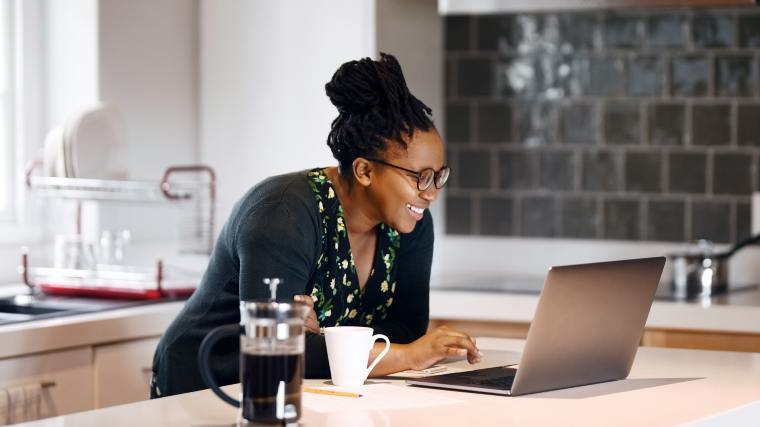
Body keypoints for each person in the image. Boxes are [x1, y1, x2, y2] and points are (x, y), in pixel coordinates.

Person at [150, 53, 481, 398]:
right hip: (206, 387)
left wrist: (320, 336)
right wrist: (407, 355)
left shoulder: (410, 222)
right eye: (420, 178)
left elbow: (406, 326)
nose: (431, 194)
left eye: (438, 176)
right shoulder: (282, 215)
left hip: (301, 394)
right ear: (365, 170)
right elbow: (276, 350)